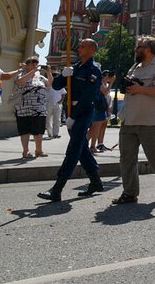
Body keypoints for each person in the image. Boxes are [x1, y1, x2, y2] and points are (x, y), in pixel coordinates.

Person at [112, 36, 155, 204]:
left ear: (148, 49)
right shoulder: (134, 67)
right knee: (126, 158)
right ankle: (130, 193)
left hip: (149, 120)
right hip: (129, 118)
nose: (136, 50)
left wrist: (140, 89)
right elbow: (131, 88)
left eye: (138, 47)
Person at [38, 40, 104, 200]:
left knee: (74, 149)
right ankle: (96, 181)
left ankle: (57, 189)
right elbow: (56, 86)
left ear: (92, 50)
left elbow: (88, 96)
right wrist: (63, 75)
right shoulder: (75, 67)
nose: (79, 48)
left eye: (83, 46)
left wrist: (74, 117)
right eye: (79, 45)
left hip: (83, 112)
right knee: (81, 148)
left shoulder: (93, 70)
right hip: (71, 111)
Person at [12, 56, 51, 159]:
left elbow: (49, 84)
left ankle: (39, 150)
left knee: (38, 130)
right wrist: (32, 72)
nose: (35, 65)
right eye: (32, 63)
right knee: (25, 130)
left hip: (39, 108)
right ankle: (26, 151)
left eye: (36, 63)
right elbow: (20, 82)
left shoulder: (40, 77)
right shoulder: (21, 74)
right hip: (23, 108)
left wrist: (49, 72)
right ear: (27, 64)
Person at [89, 70, 114, 153]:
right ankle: (90, 146)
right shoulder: (98, 82)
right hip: (97, 107)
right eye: (108, 76)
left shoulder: (102, 83)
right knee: (94, 128)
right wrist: (111, 83)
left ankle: (94, 144)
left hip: (101, 108)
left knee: (96, 127)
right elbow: (105, 93)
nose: (109, 78)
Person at [44, 68, 65, 140]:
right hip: (48, 103)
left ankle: (56, 134)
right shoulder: (48, 84)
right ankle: (50, 133)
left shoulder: (60, 85)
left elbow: (63, 93)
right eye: (54, 75)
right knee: (48, 119)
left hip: (58, 104)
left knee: (57, 119)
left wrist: (61, 101)